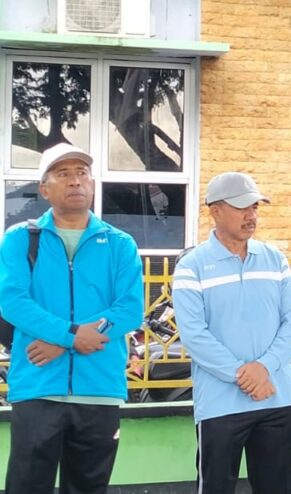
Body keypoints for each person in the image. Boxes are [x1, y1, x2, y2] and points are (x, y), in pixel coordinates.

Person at [0, 143, 144, 493]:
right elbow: (12, 301)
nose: (75, 181)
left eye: (82, 173)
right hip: (37, 387)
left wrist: (66, 342)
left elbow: (128, 309)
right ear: (44, 189)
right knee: (27, 485)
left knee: (88, 487)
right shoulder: (21, 239)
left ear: (92, 184)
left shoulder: (119, 243)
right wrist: (71, 334)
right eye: (63, 174)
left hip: (99, 388)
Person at [172, 172, 291, 493]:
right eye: (241, 207)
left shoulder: (274, 259)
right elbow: (194, 334)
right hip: (221, 404)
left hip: (278, 397)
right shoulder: (192, 265)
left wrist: (264, 368)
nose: (251, 215)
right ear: (215, 210)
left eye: (255, 207)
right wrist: (243, 375)